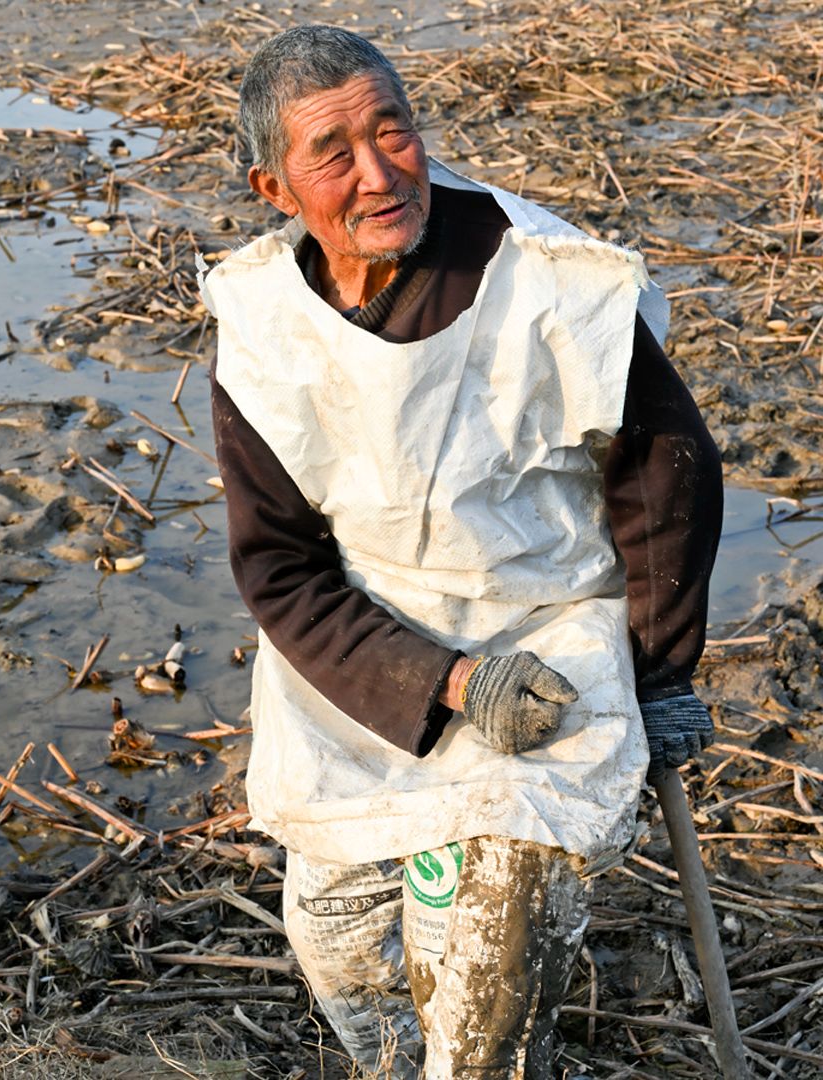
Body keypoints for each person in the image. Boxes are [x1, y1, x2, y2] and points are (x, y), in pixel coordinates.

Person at [200, 25, 722, 1078]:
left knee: (482, 986)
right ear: (274, 187)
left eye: (392, 130)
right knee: (348, 959)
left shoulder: (550, 280)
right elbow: (279, 568)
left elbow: (667, 474)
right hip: (362, 653)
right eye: (333, 153)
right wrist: (443, 681)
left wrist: (658, 668)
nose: (379, 172)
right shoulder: (263, 326)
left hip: (546, 640)